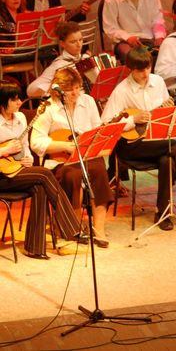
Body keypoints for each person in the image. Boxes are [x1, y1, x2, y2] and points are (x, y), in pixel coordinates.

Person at [101, 47, 176, 230]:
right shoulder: (121, 91)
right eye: (140, 70)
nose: (145, 73)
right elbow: (106, 125)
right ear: (130, 69)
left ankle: (162, 213)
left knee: (167, 160)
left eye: (148, 68)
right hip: (130, 145)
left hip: (156, 140)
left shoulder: (158, 82)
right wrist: (133, 120)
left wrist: (166, 111)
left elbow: (165, 113)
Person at [30, 68, 114, 247]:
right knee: (73, 176)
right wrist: (63, 146)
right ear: (58, 90)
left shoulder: (88, 101)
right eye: (69, 90)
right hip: (60, 160)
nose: (75, 93)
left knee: (99, 169)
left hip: (86, 155)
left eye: (77, 88)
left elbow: (97, 129)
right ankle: (73, 226)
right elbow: (35, 142)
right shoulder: (48, 108)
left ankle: (99, 228)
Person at [0, 80, 83, 259]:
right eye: (14, 99)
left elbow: (25, 147)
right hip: (1, 176)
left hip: (17, 170)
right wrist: (5, 150)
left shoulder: (21, 118)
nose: (19, 102)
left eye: (19, 98)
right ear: (2, 102)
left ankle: (35, 247)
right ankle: (72, 227)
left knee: (40, 188)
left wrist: (28, 159)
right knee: (44, 174)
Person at [102, 0, 167, 63]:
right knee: (133, 58)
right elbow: (110, 28)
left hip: (149, 38)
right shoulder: (112, 0)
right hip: (124, 42)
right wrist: (127, 37)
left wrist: (159, 36)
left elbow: (158, 20)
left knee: (166, 53)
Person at [27, 21, 92, 98]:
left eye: (80, 40)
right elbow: (31, 90)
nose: (79, 45)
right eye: (73, 42)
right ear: (62, 44)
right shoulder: (58, 65)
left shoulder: (86, 58)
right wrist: (57, 89)